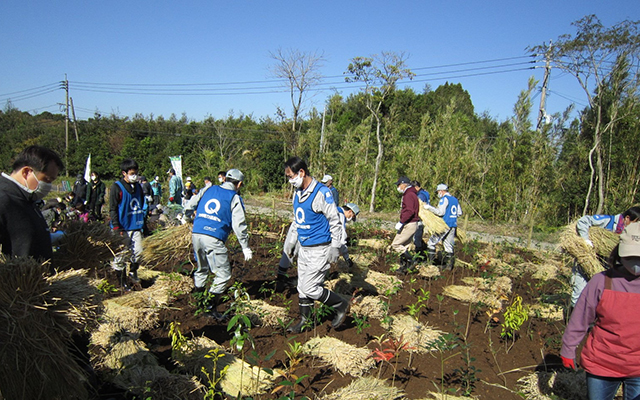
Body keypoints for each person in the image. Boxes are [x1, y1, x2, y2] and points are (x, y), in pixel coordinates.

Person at [561, 222, 640, 400]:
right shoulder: (602, 282)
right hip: (603, 363)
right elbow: (580, 318)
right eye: (631, 257)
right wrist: (568, 348)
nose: (636, 264)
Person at [282, 157, 348, 333]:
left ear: (301, 172)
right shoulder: (298, 193)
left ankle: (340, 304)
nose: (290, 180)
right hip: (304, 248)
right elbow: (298, 221)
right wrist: (291, 243)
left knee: (310, 287)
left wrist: (335, 246)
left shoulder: (321, 193)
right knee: (301, 286)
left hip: (320, 248)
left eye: (291, 176)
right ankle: (305, 320)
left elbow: (335, 220)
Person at [185, 169, 253, 320]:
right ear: (239, 184)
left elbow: (190, 204)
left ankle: (198, 302)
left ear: (225, 179)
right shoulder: (234, 197)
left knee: (202, 269)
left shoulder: (209, 188)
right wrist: (245, 246)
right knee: (223, 274)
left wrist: (187, 215)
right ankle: (210, 308)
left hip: (196, 233)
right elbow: (239, 224)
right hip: (213, 237)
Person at [0, 145, 63, 260]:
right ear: (27, 172)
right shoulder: (3, 200)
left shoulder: (27, 199)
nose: (48, 185)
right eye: (47, 180)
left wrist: (51, 238)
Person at [569, 207, 640, 306]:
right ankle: (572, 316)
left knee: (598, 295)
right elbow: (583, 221)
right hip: (586, 261)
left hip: (603, 267)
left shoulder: (629, 235)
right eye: (635, 222)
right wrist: (586, 241)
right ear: (627, 218)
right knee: (579, 293)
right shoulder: (608, 221)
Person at [110, 159, 145, 288]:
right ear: (124, 173)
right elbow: (113, 208)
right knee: (121, 256)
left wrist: (143, 224)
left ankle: (133, 271)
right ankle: (122, 282)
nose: (134, 175)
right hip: (122, 227)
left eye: (136, 173)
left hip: (135, 225)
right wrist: (116, 226)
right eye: (131, 173)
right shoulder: (117, 187)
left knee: (139, 253)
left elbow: (141, 204)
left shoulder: (138, 187)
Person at [424, 183, 462, 271]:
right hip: (453, 225)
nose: (438, 194)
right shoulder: (455, 199)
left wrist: (428, 207)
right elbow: (459, 213)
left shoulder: (444, 199)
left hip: (444, 225)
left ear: (441, 191)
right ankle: (449, 266)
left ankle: (430, 264)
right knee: (448, 245)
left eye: (438, 192)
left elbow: (440, 212)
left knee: (431, 243)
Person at [391, 177, 420, 273]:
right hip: (411, 223)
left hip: (409, 223)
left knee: (396, 244)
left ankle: (411, 261)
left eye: (399, 185)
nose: (398, 187)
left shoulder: (409, 195)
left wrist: (402, 221)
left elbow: (410, 211)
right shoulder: (412, 194)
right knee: (404, 245)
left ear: (404, 185)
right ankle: (404, 268)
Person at [337, 203, 360, 268]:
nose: (350, 219)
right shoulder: (340, 215)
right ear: (349, 211)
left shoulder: (335, 209)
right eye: (351, 216)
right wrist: (347, 258)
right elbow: (342, 239)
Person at [411, 180, 430, 253]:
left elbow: (418, 207)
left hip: (420, 218)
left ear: (416, 187)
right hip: (424, 217)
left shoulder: (420, 195)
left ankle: (419, 254)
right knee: (418, 236)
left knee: (417, 237)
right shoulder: (425, 193)